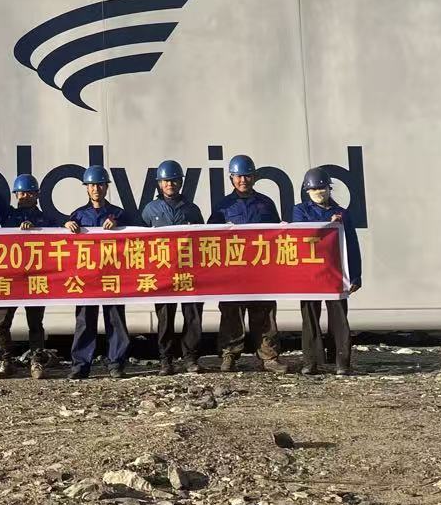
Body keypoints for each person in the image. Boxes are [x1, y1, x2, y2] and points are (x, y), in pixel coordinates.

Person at [208, 153, 287, 373]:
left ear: (254, 177)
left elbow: (277, 235)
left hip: (261, 270)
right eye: (239, 176)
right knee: (231, 313)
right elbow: (210, 237)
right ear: (231, 178)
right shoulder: (223, 206)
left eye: (247, 176)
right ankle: (229, 355)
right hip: (233, 271)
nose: (243, 180)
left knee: (265, 313)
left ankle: (269, 356)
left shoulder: (266, 204)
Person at [290, 167, 362, 376]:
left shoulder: (342, 213)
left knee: (339, 318)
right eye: (314, 189)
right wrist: (327, 226)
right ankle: (311, 362)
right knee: (310, 318)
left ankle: (342, 362)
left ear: (329, 189)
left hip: (335, 273)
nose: (319, 192)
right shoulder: (300, 211)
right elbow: (301, 232)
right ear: (307, 191)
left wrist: (356, 275)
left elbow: (352, 245)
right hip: (309, 273)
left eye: (322, 188)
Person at [0, 170, 50, 379]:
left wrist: (35, 230)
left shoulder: (45, 219)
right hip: (9, 279)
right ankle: (6, 361)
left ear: (37, 195)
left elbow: (56, 239)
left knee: (35, 323)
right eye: (21, 193)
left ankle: (36, 362)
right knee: (0, 323)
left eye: (29, 193)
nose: (24, 196)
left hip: (34, 277)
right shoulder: (9, 216)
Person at [64, 165, 130, 380]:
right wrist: (66, 226)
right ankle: (80, 366)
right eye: (92, 185)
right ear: (86, 188)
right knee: (85, 321)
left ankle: (116, 363)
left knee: (115, 320)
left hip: (112, 276)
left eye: (100, 185)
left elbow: (136, 234)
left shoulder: (118, 213)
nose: (96, 189)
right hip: (87, 278)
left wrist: (119, 225)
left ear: (106, 187)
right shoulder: (78, 215)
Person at [142, 159, 204, 375]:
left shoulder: (192, 209)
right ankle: (165, 360)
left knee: (192, 316)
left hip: (188, 272)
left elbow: (204, 240)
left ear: (181, 183)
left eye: (175, 180)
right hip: (163, 274)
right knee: (165, 318)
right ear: (159, 184)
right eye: (166, 181)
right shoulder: (150, 210)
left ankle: (190, 358)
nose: (170, 184)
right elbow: (138, 241)